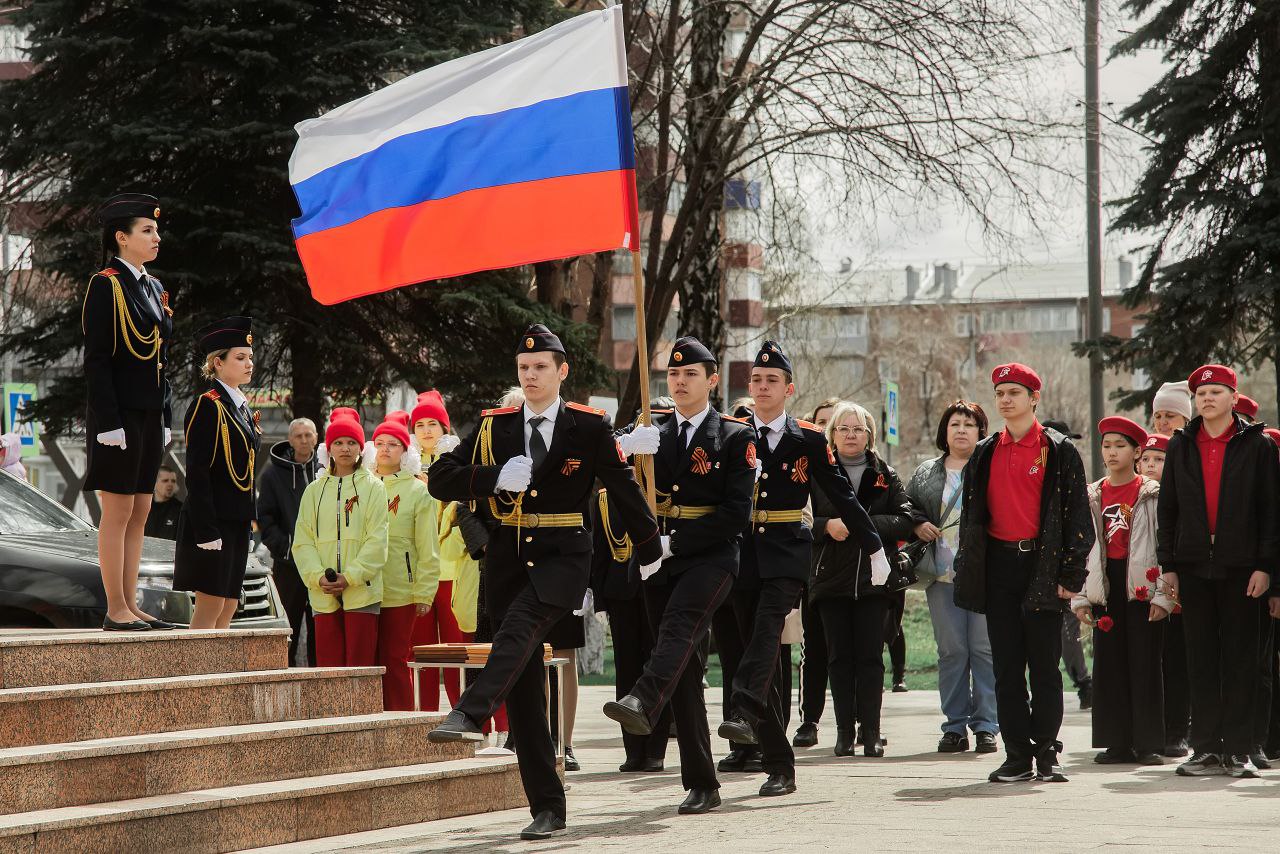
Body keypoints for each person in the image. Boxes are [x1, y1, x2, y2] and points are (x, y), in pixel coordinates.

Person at [427, 324, 662, 841]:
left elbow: (623, 488)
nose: (530, 375)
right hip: (509, 559)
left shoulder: (589, 426)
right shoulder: (494, 427)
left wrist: (649, 549)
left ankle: (470, 710)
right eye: (523, 368)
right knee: (529, 692)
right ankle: (547, 808)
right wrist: (490, 479)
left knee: (519, 628)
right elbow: (439, 478)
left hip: (563, 557)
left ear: (562, 372)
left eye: (540, 368)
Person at [717, 344, 883, 794]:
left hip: (788, 552)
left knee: (767, 633)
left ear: (789, 389)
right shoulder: (730, 433)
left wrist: (874, 548)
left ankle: (742, 709)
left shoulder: (807, 437)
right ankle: (780, 764)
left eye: (772, 381)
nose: (763, 387)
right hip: (742, 552)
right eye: (756, 380)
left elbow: (843, 496)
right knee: (755, 654)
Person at [604, 335, 755, 817]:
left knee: (676, 631)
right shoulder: (653, 429)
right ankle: (702, 782)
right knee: (685, 668)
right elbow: (606, 479)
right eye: (673, 374)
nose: (680, 381)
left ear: (712, 380)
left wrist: (677, 542)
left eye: (691, 374)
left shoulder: (734, 435)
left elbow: (735, 514)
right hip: (656, 556)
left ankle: (645, 699)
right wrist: (624, 452)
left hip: (709, 557)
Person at [954, 363, 1093, 784]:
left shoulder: (1058, 449)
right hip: (998, 568)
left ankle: (1047, 752)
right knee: (1007, 667)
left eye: (1014, 392)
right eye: (1000, 393)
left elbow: (1077, 520)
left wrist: (1070, 574)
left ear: (1034, 397)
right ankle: (1016, 754)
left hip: (1043, 565)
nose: (1005, 400)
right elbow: (971, 518)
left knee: (1045, 665)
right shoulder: (984, 451)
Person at [1158, 364, 1280, 778]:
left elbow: (1269, 513)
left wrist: (1266, 567)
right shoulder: (1181, 444)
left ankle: (1241, 750)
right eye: (1201, 393)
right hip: (1193, 566)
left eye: (1216, 392)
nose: (1207, 399)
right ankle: (1206, 748)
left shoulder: (1258, 445)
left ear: (1233, 396)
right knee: (1202, 659)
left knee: (1242, 660)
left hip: (1242, 568)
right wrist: (1169, 566)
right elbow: (1168, 510)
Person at [82, 193, 174, 631]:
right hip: (117, 417)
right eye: (147, 230)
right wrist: (109, 422)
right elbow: (98, 359)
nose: (157, 237)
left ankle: (130, 603)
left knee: (140, 510)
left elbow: (160, 357)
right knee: (117, 512)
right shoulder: (106, 284)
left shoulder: (152, 287)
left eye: (156, 230)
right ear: (121, 237)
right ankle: (114, 606)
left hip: (149, 415)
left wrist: (167, 416)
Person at [807, 400, 908, 758]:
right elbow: (798, 520)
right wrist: (826, 526)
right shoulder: (815, 471)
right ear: (831, 434)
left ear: (870, 435)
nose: (850, 435)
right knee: (838, 659)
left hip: (873, 580)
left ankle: (873, 732)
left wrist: (864, 525)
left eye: (858, 429)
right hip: (829, 578)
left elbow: (905, 519)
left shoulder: (885, 474)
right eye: (843, 429)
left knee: (869, 658)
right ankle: (844, 732)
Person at [1071, 416, 1171, 765]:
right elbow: (1084, 548)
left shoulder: (1152, 493)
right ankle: (1116, 743)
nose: (1111, 453)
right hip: (1106, 581)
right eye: (1106, 445)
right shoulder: (1093, 494)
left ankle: (1147, 744)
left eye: (1119, 446)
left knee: (1144, 663)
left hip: (1142, 581)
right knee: (1109, 664)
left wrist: (1164, 594)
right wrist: (1082, 597)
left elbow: (1165, 546)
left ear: (1137, 451)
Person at [907, 400, 999, 755]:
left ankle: (987, 726)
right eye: (954, 424)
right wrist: (917, 523)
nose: (961, 430)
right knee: (951, 651)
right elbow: (907, 506)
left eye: (969, 424)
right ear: (944, 432)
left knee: (984, 650)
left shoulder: (991, 466)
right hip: (940, 574)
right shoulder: (926, 471)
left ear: (981, 431)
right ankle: (954, 726)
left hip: (984, 575)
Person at [173, 317, 260, 630]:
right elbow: (197, 472)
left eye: (250, 357)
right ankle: (196, 677)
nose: (249, 363)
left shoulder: (241, 408)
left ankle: (216, 677)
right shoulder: (208, 405)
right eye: (240, 358)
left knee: (229, 606)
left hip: (235, 520)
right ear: (217, 363)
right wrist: (207, 530)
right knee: (210, 606)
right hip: (213, 522)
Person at [292, 409, 389, 667]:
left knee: (360, 668)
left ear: (361, 447)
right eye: (338, 442)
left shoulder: (374, 487)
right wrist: (317, 577)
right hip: (322, 593)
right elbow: (303, 541)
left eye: (351, 442)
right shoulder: (313, 491)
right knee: (329, 670)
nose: (345, 448)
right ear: (328, 448)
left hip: (362, 591)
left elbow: (377, 540)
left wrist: (351, 577)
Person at [592, 483, 672, 772]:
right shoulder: (604, 499)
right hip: (620, 593)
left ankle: (655, 749)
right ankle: (633, 750)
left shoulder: (656, 489)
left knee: (657, 666)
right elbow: (599, 550)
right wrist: (599, 601)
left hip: (656, 587)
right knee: (626, 670)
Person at [368, 412, 441, 711]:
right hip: (363, 588)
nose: (385, 449)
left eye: (393, 444)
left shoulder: (417, 491)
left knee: (395, 658)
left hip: (401, 590)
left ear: (404, 450)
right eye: (380, 443)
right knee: (367, 662)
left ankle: (401, 723)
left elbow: (428, 547)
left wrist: (424, 592)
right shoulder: (361, 485)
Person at [408, 390, 470, 712]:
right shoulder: (405, 466)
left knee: (455, 649)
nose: (427, 430)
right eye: (420, 425)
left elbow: (465, 515)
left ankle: (463, 716)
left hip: (452, 572)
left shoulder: (456, 462)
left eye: (434, 423)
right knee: (422, 651)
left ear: (446, 429)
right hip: (418, 575)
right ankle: (424, 716)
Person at [793, 395, 843, 748]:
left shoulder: (864, 468)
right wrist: (825, 525)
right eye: (822, 422)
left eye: (834, 423)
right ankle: (809, 719)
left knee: (848, 652)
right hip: (814, 569)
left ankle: (855, 722)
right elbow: (796, 518)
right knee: (814, 651)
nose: (827, 429)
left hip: (852, 574)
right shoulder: (803, 467)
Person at [1149, 381, 1193, 758]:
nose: (1163, 423)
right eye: (1159, 416)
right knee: (1156, 657)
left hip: (1182, 570)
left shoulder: (1190, 453)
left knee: (1181, 655)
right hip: (1147, 578)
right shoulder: (1147, 457)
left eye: (1171, 416)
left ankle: (1181, 728)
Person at [258, 417, 322, 666]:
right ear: (290, 439)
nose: (304, 440)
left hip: (322, 565)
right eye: (299, 436)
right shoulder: (273, 475)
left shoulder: (326, 469)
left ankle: (322, 683)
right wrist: (287, 548)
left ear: (316, 437)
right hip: (288, 566)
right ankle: (287, 676)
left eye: (308, 435)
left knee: (321, 628)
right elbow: (265, 517)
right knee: (289, 630)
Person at [1043, 419, 1093, 710]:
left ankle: (1084, 682)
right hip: (1043, 569)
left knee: (1070, 631)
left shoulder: (1076, 477)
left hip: (1075, 567)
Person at [144, 465, 182, 540]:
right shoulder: (143, 507)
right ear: (154, 483)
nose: (170, 484)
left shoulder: (180, 509)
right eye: (165, 480)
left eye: (173, 481)